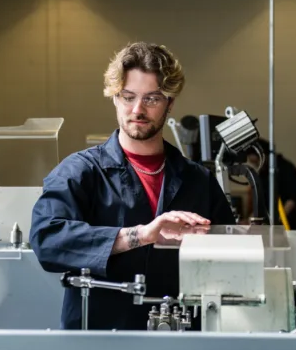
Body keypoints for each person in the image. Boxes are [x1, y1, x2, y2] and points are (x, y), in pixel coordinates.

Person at [29, 42, 235, 331]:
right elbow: (47, 238)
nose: (137, 109)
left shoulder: (197, 180)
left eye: (151, 99)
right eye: (128, 97)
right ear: (114, 98)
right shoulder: (80, 172)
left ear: (170, 103)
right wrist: (140, 235)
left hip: (179, 340)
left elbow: (229, 257)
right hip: (99, 339)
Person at [246, 139, 296, 236]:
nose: (256, 166)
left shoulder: (287, 168)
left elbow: (291, 200)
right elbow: (262, 200)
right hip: (270, 228)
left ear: (263, 156)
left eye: (256, 162)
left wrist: (274, 221)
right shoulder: (263, 172)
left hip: (289, 226)